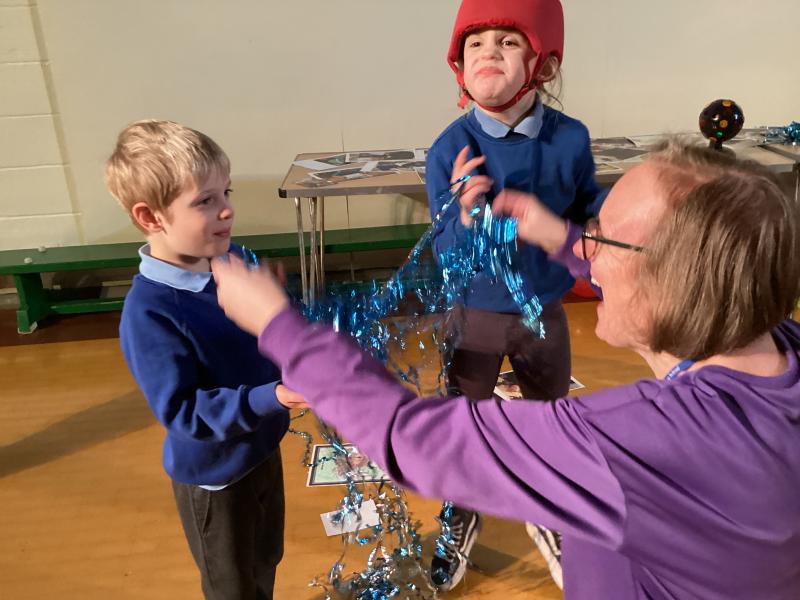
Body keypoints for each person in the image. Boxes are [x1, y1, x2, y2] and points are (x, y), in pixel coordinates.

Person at [211, 141, 800, 599]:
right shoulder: (774, 348)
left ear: (673, 280)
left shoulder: (639, 442)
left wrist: (279, 327)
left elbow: (413, 440)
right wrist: (560, 237)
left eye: (600, 240)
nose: (589, 255)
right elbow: (655, 270)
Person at [424, 0, 606, 586]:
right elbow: (444, 251)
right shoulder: (447, 148)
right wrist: (464, 214)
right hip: (473, 315)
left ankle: (548, 510)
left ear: (542, 64)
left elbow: (589, 207)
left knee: (552, 418)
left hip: (543, 310)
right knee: (464, 422)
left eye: (507, 41)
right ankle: (461, 510)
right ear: (459, 63)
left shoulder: (570, 138)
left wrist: (607, 222)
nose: (489, 54)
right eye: (476, 43)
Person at [106, 119, 306, 600]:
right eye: (205, 201)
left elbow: (263, 337)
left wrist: (281, 314)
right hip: (216, 479)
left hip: (262, 449)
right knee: (232, 587)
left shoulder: (232, 261)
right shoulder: (150, 312)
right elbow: (183, 412)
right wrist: (274, 396)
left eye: (226, 192)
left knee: (265, 560)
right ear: (150, 217)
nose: (227, 209)